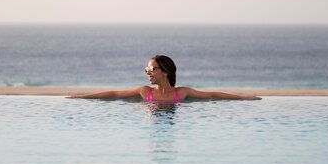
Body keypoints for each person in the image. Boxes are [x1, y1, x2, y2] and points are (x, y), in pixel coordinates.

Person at [69, 55, 261, 102]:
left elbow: (212, 95)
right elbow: (113, 94)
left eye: (151, 68)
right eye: (147, 68)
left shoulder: (182, 92)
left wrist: (243, 98)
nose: (147, 72)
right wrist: (81, 97)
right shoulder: (144, 92)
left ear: (165, 72)